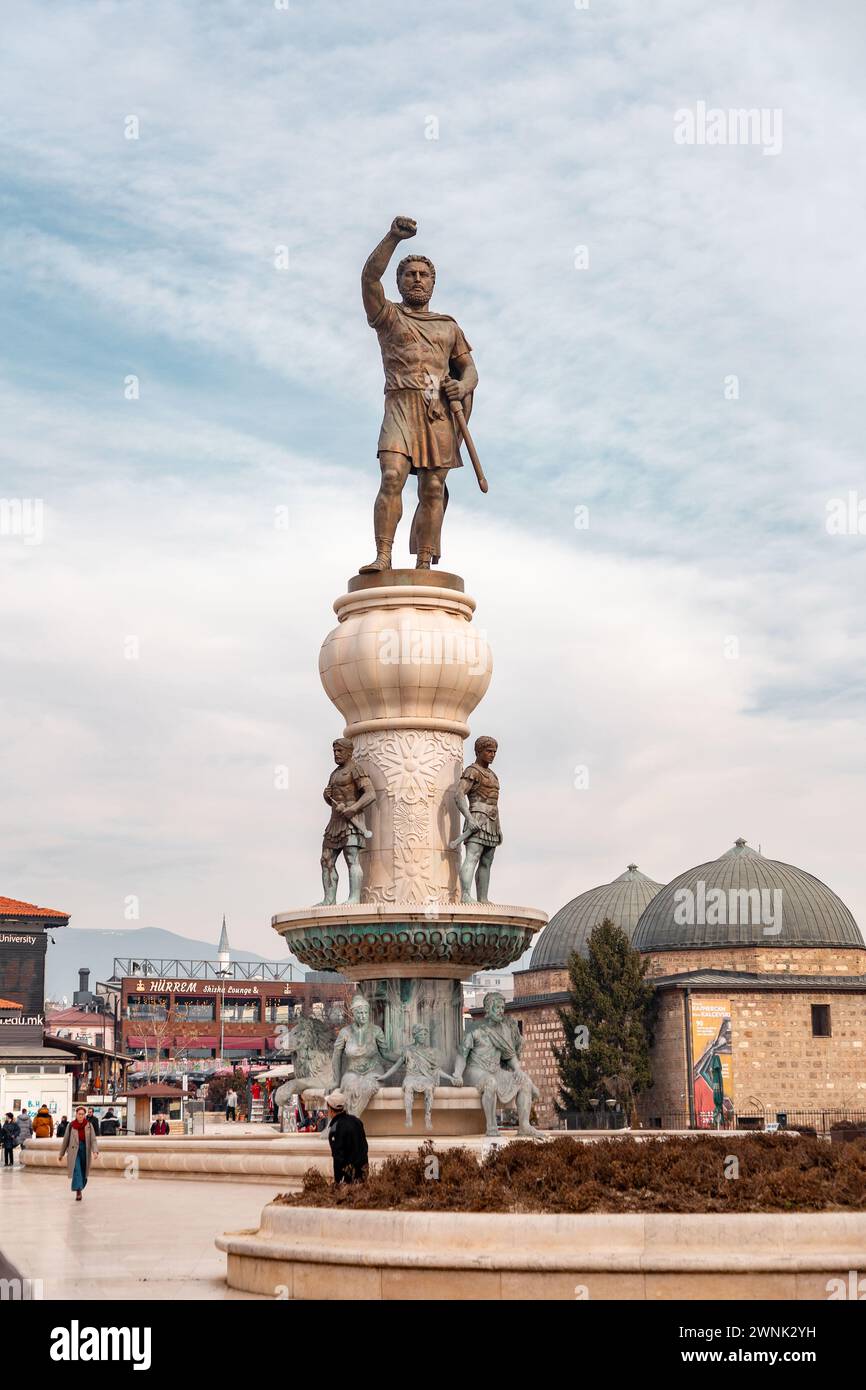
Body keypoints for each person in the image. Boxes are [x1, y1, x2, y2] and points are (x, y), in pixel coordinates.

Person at [325, 1092, 368, 1185]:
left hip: (348, 1180)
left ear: (330, 1109)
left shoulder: (335, 1128)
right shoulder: (357, 1121)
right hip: (362, 1175)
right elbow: (365, 1148)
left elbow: (338, 1158)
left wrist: (338, 1182)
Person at [58, 1105, 99, 1201]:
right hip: (74, 1151)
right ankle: (78, 1191)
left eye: (82, 1114)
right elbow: (65, 1140)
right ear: (76, 1114)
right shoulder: (71, 1125)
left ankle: (80, 1185)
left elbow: (93, 1139)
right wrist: (61, 1154)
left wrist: (95, 1151)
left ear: (84, 1115)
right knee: (77, 1170)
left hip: (85, 1149)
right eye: (79, 1114)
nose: (80, 1116)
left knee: (83, 1171)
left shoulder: (89, 1125)